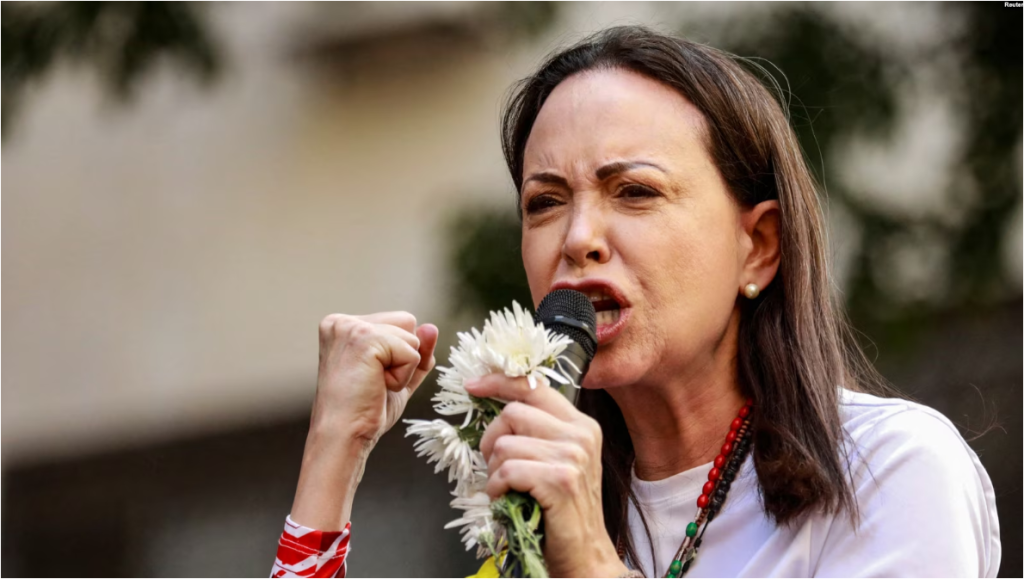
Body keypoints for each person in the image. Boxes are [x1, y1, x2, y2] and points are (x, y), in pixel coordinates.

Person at [269, 26, 1001, 579]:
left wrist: (590, 559)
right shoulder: (529, 518)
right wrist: (336, 448)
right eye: (545, 201)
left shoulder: (892, 469)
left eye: (635, 191)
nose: (578, 237)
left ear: (760, 246)